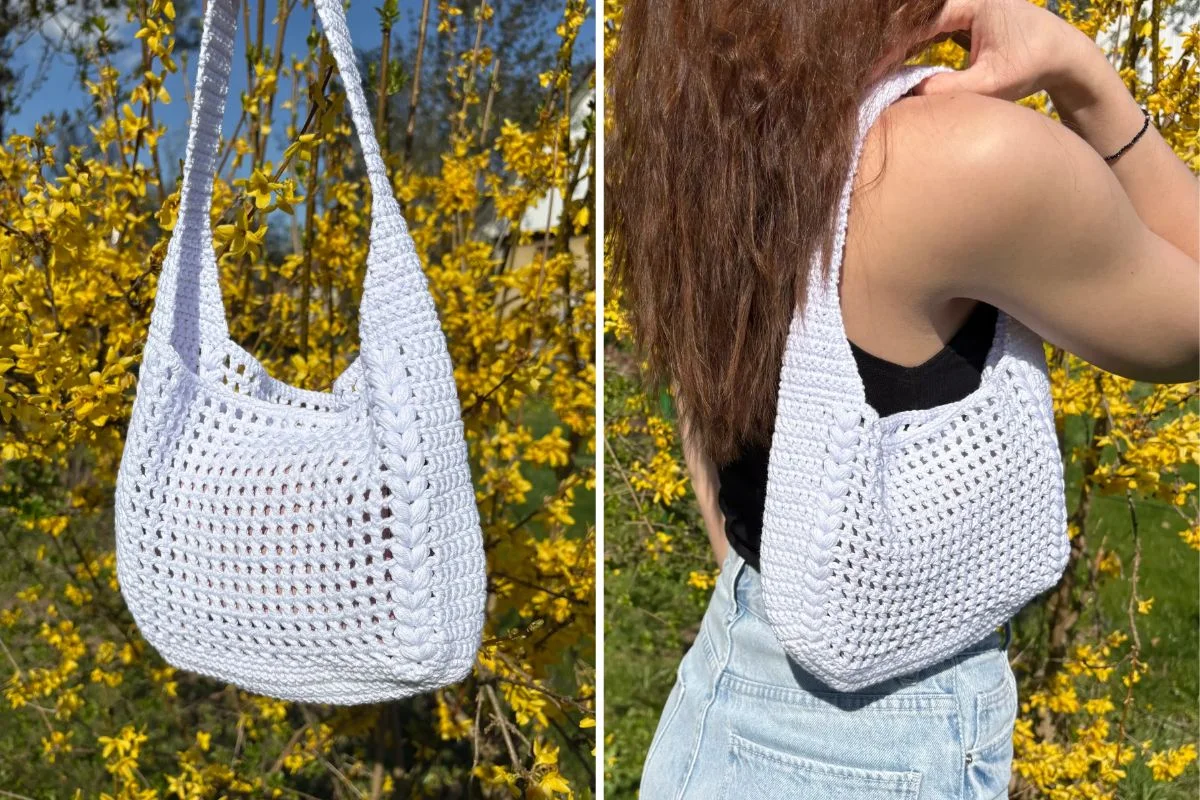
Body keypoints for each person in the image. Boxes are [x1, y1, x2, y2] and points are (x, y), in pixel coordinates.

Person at [607, 0, 1199, 796]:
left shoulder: (697, 146)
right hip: (869, 752)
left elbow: (704, 391)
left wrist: (781, 569)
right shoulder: (959, 156)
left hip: (722, 699)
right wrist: (1080, 72)